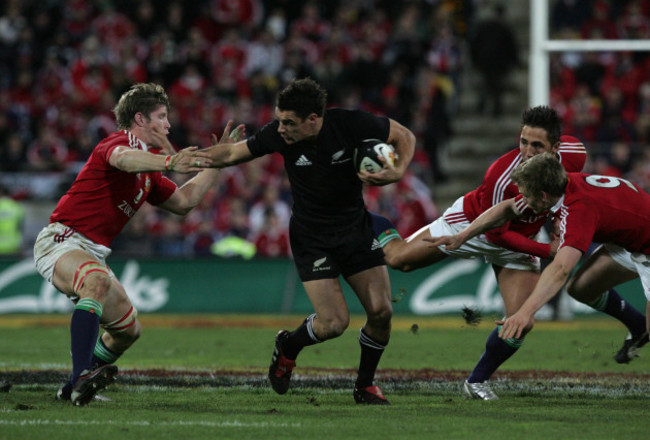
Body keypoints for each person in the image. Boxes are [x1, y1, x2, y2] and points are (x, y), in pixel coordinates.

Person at [370, 106, 646, 400]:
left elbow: (563, 205)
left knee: (520, 320)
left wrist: (555, 226)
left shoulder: (573, 160)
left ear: (556, 148)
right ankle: (363, 217)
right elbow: (497, 231)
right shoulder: (502, 176)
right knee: (399, 261)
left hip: (525, 237)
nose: (527, 151)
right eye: (523, 142)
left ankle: (476, 382)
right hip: (477, 223)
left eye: (536, 145)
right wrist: (540, 247)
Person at [202, 77, 415, 404]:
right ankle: (289, 345)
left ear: (314, 118)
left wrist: (398, 171)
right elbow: (233, 153)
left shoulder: (351, 123)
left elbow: (404, 136)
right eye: (279, 119)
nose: (281, 127)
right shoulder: (278, 135)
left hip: (355, 229)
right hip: (312, 237)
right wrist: (183, 158)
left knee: (382, 311)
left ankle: (365, 385)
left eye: (289, 122)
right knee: (334, 323)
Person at [33, 82, 243, 406]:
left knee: (129, 331)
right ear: (141, 120)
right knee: (97, 281)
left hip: (93, 252)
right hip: (62, 239)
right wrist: (171, 163)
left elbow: (185, 201)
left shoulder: (151, 172)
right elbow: (124, 159)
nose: (169, 125)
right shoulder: (119, 142)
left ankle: (72, 387)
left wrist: (218, 163)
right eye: (162, 116)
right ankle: (79, 380)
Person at [431, 152, 650, 353]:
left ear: (543, 196)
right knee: (581, 288)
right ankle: (638, 327)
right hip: (629, 241)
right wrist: (463, 235)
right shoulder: (563, 185)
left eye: (526, 194)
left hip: (646, 246)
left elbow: (561, 270)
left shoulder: (577, 211)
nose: (523, 199)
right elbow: (507, 208)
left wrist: (525, 312)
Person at [469, 3, 519, 117]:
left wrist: (475, 60)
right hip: (498, 63)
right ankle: (495, 109)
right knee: (496, 87)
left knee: (486, 85)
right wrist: (514, 62)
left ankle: (482, 107)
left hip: (485, 61)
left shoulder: (483, 27)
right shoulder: (504, 28)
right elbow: (512, 47)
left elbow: (474, 44)